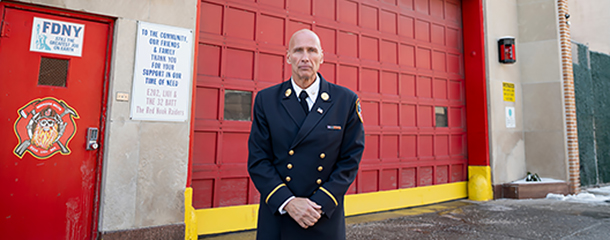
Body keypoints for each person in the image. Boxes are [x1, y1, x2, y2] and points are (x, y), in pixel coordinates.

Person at [247, 29, 365, 240]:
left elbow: (350, 160)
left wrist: (319, 204)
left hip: (323, 214)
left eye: (311, 51)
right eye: (298, 51)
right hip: (279, 214)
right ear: (288, 56)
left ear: (321, 56)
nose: (305, 57)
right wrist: (289, 203)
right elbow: (259, 160)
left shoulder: (345, 101)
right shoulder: (266, 100)